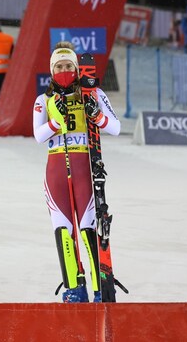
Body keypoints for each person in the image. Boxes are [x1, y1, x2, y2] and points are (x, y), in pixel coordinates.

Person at [32, 42, 120, 303]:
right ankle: (74, 288)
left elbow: (115, 126)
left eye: (69, 66)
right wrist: (55, 121)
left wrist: (97, 117)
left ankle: (99, 289)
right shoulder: (43, 100)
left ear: (77, 67)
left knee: (87, 228)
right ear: (51, 70)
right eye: (59, 66)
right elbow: (38, 135)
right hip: (56, 167)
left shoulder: (92, 94)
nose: (64, 70)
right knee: (63, 230)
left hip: (84, 165)